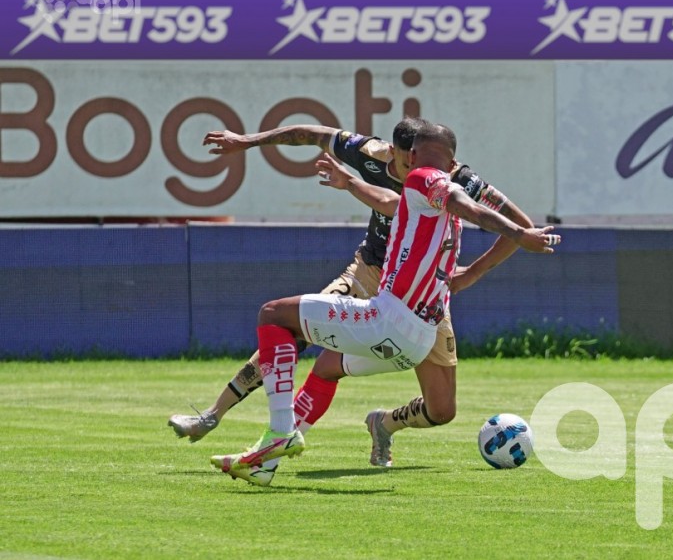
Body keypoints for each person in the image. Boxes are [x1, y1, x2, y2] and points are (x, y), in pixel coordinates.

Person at [170, 117, 543, 484]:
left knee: (440, 408)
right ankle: (225, 423)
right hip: (387, 292)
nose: (401, 166)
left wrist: (479, 268)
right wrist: (249, 141)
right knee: (309, 347)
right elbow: (312, 134)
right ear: (394, 151)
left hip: (401, 306)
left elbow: (417, 204)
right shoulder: (374, 155)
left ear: (415, 155)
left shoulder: (433, 179)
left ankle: (333, 428)